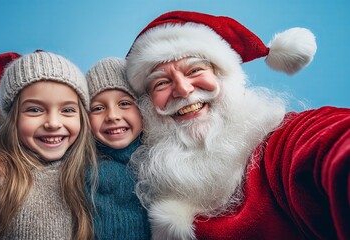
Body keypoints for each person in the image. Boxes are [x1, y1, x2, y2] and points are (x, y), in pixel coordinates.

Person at [124, 11, 349, 239]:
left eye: (195, 70)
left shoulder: (283, 143)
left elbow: (333, 142)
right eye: (161, 83)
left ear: (225, 77)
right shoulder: (141, 194)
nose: (183, 89)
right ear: (147, 106)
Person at [0, 51, 97, 239]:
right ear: (12, 119)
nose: (54, 123)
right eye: (35, 109)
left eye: (68, 110)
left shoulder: (92, 172)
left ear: (82, 117)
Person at [84, 57, 151, 239]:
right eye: (97, 108)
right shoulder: (81, 168)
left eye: (124, 103)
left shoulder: (163, 158)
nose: (112, 116)